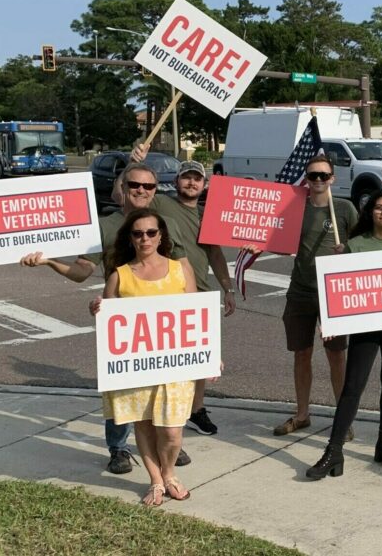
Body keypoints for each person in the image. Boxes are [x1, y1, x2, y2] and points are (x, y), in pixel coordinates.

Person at [20, 162, 192, 475]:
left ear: (156, 191)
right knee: (123, 384)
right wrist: (47, 262)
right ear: (122, 188)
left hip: (164, 322)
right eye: (134, 185)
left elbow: (180, 268)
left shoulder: (163, 222)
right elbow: (82, 271)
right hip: (122, 316)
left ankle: (166, 443)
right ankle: (118, 448)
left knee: (162, 387)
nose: (141, 191)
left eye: (149, 187)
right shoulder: (104, 226)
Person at [118, 148, 237, 436]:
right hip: (165, 291)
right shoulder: (160, 203)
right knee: (167, 358)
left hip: (200, 294)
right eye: (186, 178)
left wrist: (227, 287)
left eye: (197, 179)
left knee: (199, 359)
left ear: (204, 184)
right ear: (177, 181)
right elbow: (127, 194)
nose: (192, 183)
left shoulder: (210, 216)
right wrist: (133, 163)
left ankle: (196, 410)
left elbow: (216, 254)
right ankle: (165, 414)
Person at [241, 154, 358, 439]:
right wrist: (262, 247)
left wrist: (349, 250)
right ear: (306, 178)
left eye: (323, 175)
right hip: (300, 290)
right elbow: (284, 242)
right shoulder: (295, 208)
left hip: (333, 293)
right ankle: (302, 413)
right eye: (312, 175)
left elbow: (361, 244)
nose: (317, 180)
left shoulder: (344, 209)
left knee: (336, 356)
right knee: (301, 353)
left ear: (332, 178)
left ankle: (344, 420)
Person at [306, 190, 382, 480]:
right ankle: (333, 450)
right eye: (380, 208)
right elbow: (338, 288)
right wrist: (329, 320)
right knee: (353, 385)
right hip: (366, 326)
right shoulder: (355, 245)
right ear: (371, 212)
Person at [91, 209, 197, 506]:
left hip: (175, 362)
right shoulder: (120, 275)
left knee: (172, 431)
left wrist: (212, 355)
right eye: (138, 233)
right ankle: (157, 481)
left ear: (161, 235)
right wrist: (97, 309)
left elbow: (197, 316)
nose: (145, 238)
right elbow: (108, 320)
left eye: (151, 232)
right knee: (144, 424)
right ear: (130, 238)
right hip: (136, 366)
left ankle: (169, 472)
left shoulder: (179, 270)